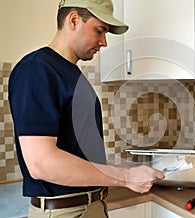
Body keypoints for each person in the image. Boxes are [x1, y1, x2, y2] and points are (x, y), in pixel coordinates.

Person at [8, 0, 165, 217]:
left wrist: (128, 172)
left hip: (90, 206)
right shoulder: (37, 70)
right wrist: (125, 178)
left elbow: (80, 154)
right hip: (66, 212)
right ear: (74, 20)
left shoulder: (71, 74)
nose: (104, 42)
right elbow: (41, 163)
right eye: (99, 30)